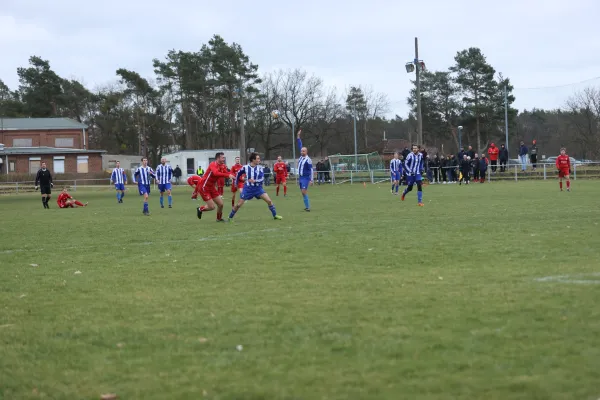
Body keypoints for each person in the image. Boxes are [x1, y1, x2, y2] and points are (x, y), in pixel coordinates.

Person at [228, 152, 282, 221]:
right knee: (238, 205)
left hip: (258, 189)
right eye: (258, 158)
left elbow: (262, 179)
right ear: (253, 160)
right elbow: (238, 174)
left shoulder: (260, 168)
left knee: (269, 201)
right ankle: (230, 217)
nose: (259, 160)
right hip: (248, 189)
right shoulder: (245, 167)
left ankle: (275, 215)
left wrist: (255, 181)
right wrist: (236, 182)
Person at [196, 152, 235, 221]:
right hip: (204, 187)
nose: (224, 159)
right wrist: (228, 175)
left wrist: (235, 176)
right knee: (212, 207)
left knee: (221, 204)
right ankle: (200, 209)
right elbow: (216, 173)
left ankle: (219, 219)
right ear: (218, 158)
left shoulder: (223, 165)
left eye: (224, 157)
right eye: (222, 157)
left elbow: (227, 173)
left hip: (212, 187)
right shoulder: (213, 164)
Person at [296, 130, 313, 211]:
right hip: (300, 177)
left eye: (303, 151)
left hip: (306, 177)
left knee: (303, 192)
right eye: (301, 151)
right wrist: (298, 137)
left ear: (306, 152)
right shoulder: (301, 157)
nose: (302, 151)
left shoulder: (308, 160)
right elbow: (300, 145)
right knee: (303, 193)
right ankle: (306, 207)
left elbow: (311, 170)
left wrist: (311, 180)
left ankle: (308, 207)